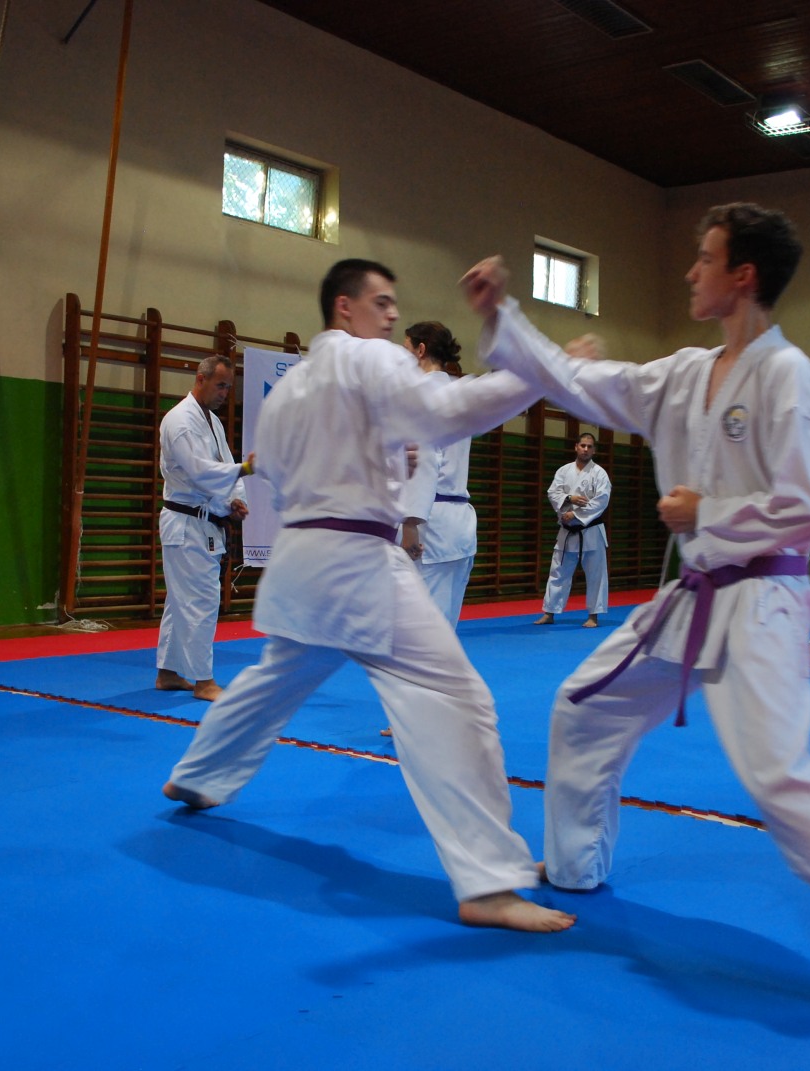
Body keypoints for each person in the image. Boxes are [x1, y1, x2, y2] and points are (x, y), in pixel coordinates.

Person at [463, 202, 810, 1051]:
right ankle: (573, 864)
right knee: (584, 704)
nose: (691, 271)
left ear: (742, 275)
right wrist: (505, 316)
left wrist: (707, 512)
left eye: (704, 258)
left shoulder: (784, 372)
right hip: (694, 595)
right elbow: (582, 383)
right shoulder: (685, 373)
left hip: (762, 599)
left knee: (780, 783)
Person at [162, 258, 574, 934]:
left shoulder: (291, 390)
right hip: (358, 563)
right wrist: (541, 374)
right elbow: (448, 410)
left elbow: (283, 476)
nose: (392, 314)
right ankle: (490, 881)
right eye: (381, 302)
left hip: (302, 562)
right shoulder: (372, 358)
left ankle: (199, 773)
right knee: (455, 700)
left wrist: (381, 459)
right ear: (344, 308)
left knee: (275, 679)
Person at [154, 354, 254, 701]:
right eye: (221, 385)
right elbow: (199, 472)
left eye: (229, 387)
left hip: (203, 521)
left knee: (180, 601)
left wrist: (234, 501)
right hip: (186, 523)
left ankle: (168, 672)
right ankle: (203, 681)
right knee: (201, 602)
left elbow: (223, 464)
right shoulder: (180, 421)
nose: (225, 393)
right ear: (201, 379)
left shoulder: (212, 421)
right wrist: (245, 469)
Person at [397, 321, 477, 626]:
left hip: (429, 526)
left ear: (420, 350)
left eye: (405, 349)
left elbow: (426, 458)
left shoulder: (422, 396)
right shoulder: (460, 395)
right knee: (444, 627)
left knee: (422, 631)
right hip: (458, 526)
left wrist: (410, 522)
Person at [533, 432, 611, 628]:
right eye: (582, 445)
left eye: (589, 446)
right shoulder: (563, 471)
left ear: (594, 450)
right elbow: (553, 492)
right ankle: (549, 612)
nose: (585, 449)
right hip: (567, 531)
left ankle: (593, 616)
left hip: (591, 531)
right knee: (558, 571)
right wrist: (569, 499)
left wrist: (575, 515)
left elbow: (601, 501)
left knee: (595, 574)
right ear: (576, 447)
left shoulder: (599, 473)